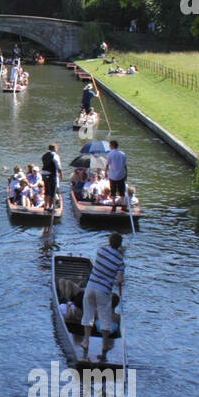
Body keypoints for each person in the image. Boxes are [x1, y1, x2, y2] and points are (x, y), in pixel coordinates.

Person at [79, 233, 125, 363]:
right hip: (104, 290)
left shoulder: (101, 251)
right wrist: (119, 280)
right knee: (105, 318)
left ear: (109, 241)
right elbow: (119, 280)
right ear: (120, 245)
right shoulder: (120, 262)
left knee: (88, 314)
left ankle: (86, 341)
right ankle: (104, 345)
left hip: (91, 286)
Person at [105, 140, 128, 211]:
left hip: (112, 175)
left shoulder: (109, 154)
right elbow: (125, 166)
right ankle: (123, 205)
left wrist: (105, 172)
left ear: (112, 145)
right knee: (122, 191)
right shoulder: (123, 154)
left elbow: (107, 165)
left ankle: (114, 205)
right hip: (121, 175)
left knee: (113, 191)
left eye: (110, 145)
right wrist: (126, 175)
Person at [40, 143, 62, 211]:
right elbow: (58, 166)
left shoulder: (44, 155)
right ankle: (51, 206)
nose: (57, 150)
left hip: (44, 174)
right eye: (57, 149)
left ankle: (46, 206)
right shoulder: (55, 155)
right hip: (51, 174)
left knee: (47, 191)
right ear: (55, 148)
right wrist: (61, 174)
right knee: (52, 191)